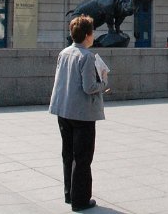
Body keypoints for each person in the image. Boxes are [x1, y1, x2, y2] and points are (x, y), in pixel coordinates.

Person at [49, 15, 108, 212]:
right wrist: (104, 82)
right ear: (87, 35)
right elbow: (89, 87)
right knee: (82, 157)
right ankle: (80, 200)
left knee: (68, 154)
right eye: (93, 32)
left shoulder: (64, 52)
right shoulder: (87, 56)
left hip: (63, 110)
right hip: (82, 114)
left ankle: (69, 193)